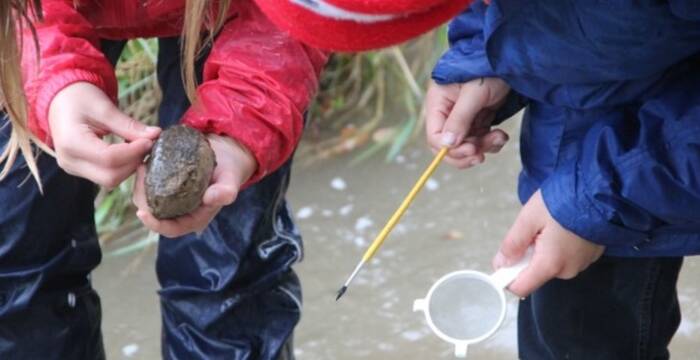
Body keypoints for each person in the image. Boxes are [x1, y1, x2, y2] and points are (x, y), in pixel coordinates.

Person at [253, 0, 700, 358]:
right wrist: (485, 60)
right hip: (579, 145)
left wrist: (602, 196)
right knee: (564, 328)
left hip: (655, 169)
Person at [0, 0, 326, 358]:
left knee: (227, 275)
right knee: (17, 271)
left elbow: (293, 15)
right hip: (30, 19)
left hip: (242, 15)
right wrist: (53, 81)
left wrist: (242, 130)